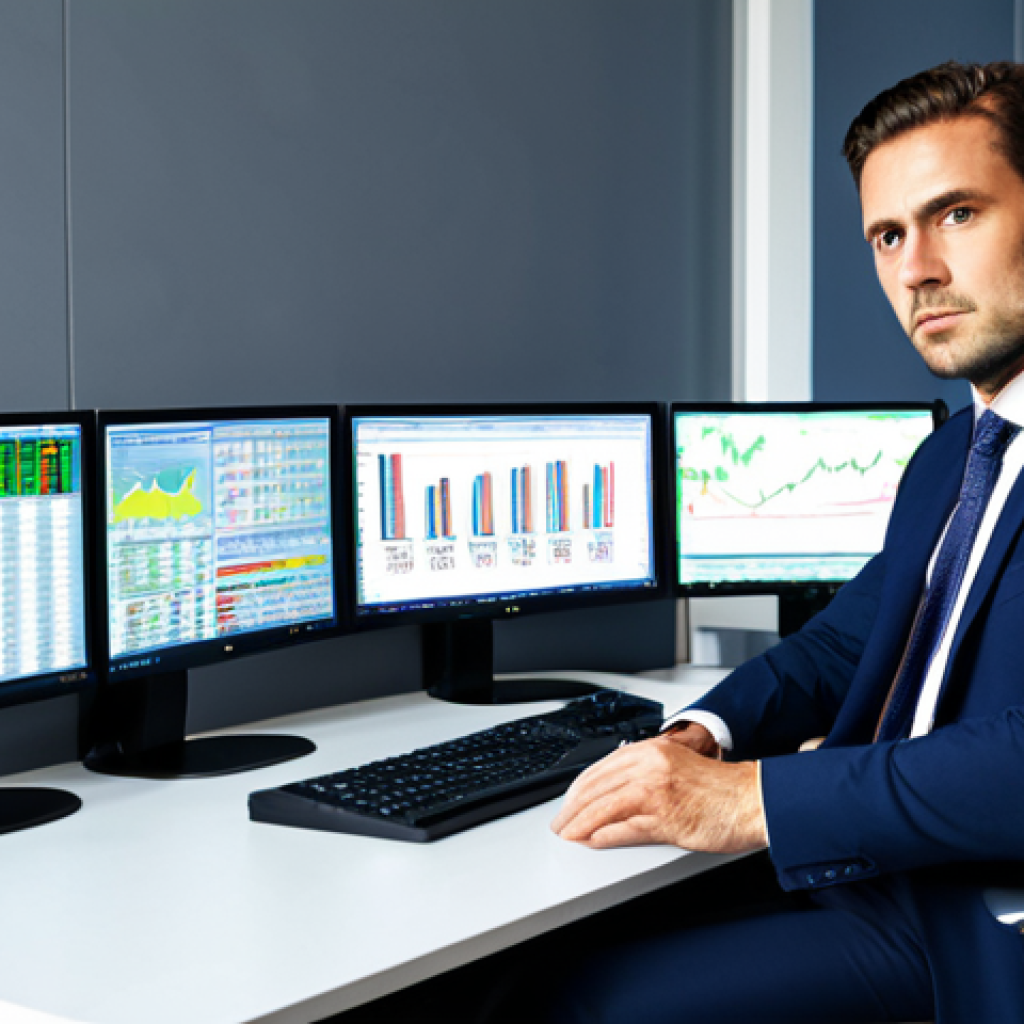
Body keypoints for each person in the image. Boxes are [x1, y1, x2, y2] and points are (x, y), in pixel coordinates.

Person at [541, 60, 1024, 1023]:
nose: (915, 268)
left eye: (956, 214)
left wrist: (754, 797)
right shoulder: (955, 459)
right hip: (880, 863)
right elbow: (848, 640)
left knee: (591, 1004)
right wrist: (695, 739)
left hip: (977, 913)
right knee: (521, 965)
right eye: (887, 234)